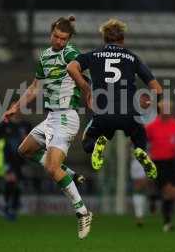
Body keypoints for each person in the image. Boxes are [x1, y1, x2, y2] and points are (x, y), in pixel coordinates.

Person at [3, 16, 92, 239]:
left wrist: (86, 90)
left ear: (69, 39)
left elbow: (80, 73)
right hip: (52, 117)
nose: (59, 41)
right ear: (51, 33)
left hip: (67, 117)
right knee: (24, 150)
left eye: (63, 38)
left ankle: (82, 212)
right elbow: (35, 87)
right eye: (56, 36)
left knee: (52, 169)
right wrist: (16, 107)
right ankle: (70, 173)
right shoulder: (44, 56)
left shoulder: (70, 53)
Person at [66, 18, 162, 179]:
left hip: (103, 114)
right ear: (123, 39)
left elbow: (71, 67)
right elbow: (157, 88)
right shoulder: (132, 57)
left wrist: (86, 88)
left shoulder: (94, 55)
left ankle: (96, 144)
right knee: (139, 135)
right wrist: (155, 105)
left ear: (104, 39)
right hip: (129, 114)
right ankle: (140, 150)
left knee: (87, 141)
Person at [142, 100, 175, 231]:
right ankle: (167, 223)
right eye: (164, 108)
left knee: (174, 192)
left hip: (171, 161)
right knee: (168, 190)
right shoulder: (151, 126)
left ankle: (154, 197)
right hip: (158, 162)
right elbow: (142, 140)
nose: (167, 110)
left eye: (169, 108)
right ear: (159, 110)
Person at [0, 118, 31, 221]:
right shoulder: (5, 124)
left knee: (16, 184)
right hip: (8, 159)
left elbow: (32, 140)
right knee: (10, 181)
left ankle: (12, 207)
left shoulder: (25, 124)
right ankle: (8, 206)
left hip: (20, 159)